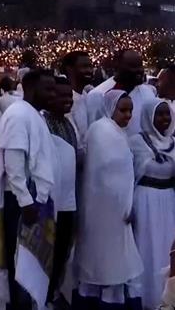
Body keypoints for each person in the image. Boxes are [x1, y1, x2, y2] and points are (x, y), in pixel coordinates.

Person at [0, 69, 58, 310]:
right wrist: (26, 202)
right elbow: (13, 163)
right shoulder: (19, 115)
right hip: (22, 203)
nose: (53, 94)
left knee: (28, 267)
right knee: (20, 269)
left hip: (30, 201)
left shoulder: (31, 114)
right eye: (48, 89)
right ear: (30, 88)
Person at [74, 90, 143, 309]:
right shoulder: (101, 131)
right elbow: (103, 175)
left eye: (130, 111)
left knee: (115, 262)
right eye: (123, 110)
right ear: (110, 108)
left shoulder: (117, 132)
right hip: (102, 210)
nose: (128, 116)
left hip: (118, 211)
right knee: (101, 260)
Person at [130, 99, 175, 309]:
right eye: (160, 114)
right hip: (145, 202)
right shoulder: (136, 142)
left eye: (167, 114)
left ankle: (167, 298)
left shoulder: (174, 142)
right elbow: (129, 176)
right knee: (147, 247)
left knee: (167, 247)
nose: (165, 119)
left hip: (168, 201)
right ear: (149, 116)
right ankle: (147, 299)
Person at [44, 76, 81, 306]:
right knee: (49, 253)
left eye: (70, 96)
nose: (67, 100)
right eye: (61, 95)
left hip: (69, 201)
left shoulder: (70, 124)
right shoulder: (43, 123)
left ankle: (54, 293)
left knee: (62, 253)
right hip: (50, 203)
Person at [88, 49, 156, 135]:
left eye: (140, 66)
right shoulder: (98, 94)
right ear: (117, 67)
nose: (139, 70)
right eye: (133, 66)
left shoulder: (148, 92)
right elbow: (93, 132)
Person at [61, 51, 94, 143]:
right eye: (84, 67)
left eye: (90, 67)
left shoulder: (85, 94)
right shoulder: (65, 99)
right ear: (69, 69)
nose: (89, 71)